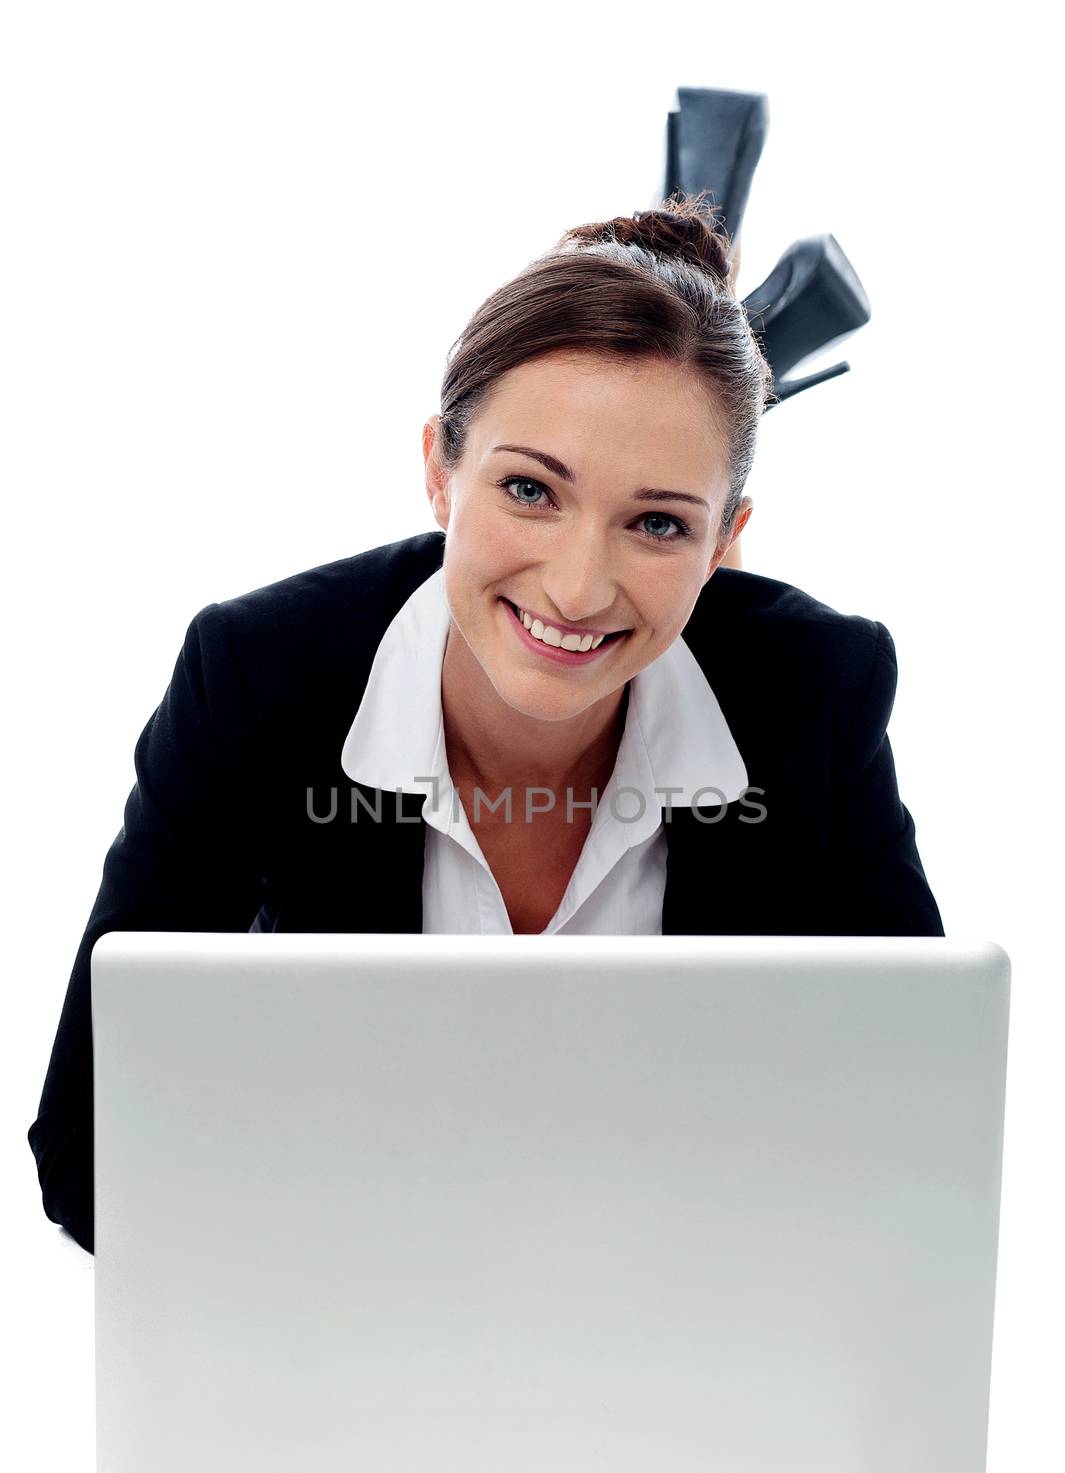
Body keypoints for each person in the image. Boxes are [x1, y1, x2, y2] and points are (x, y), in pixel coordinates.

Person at [26, 195, 944, 1255]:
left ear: (724, 542)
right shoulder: (262, 675)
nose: (578, 583)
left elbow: (913, 1124)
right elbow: (89, 1149)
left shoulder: (812, 693)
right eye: (529, 490)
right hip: (342, 1326)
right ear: (438, 470)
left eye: (657, 523)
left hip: (684, 1332)